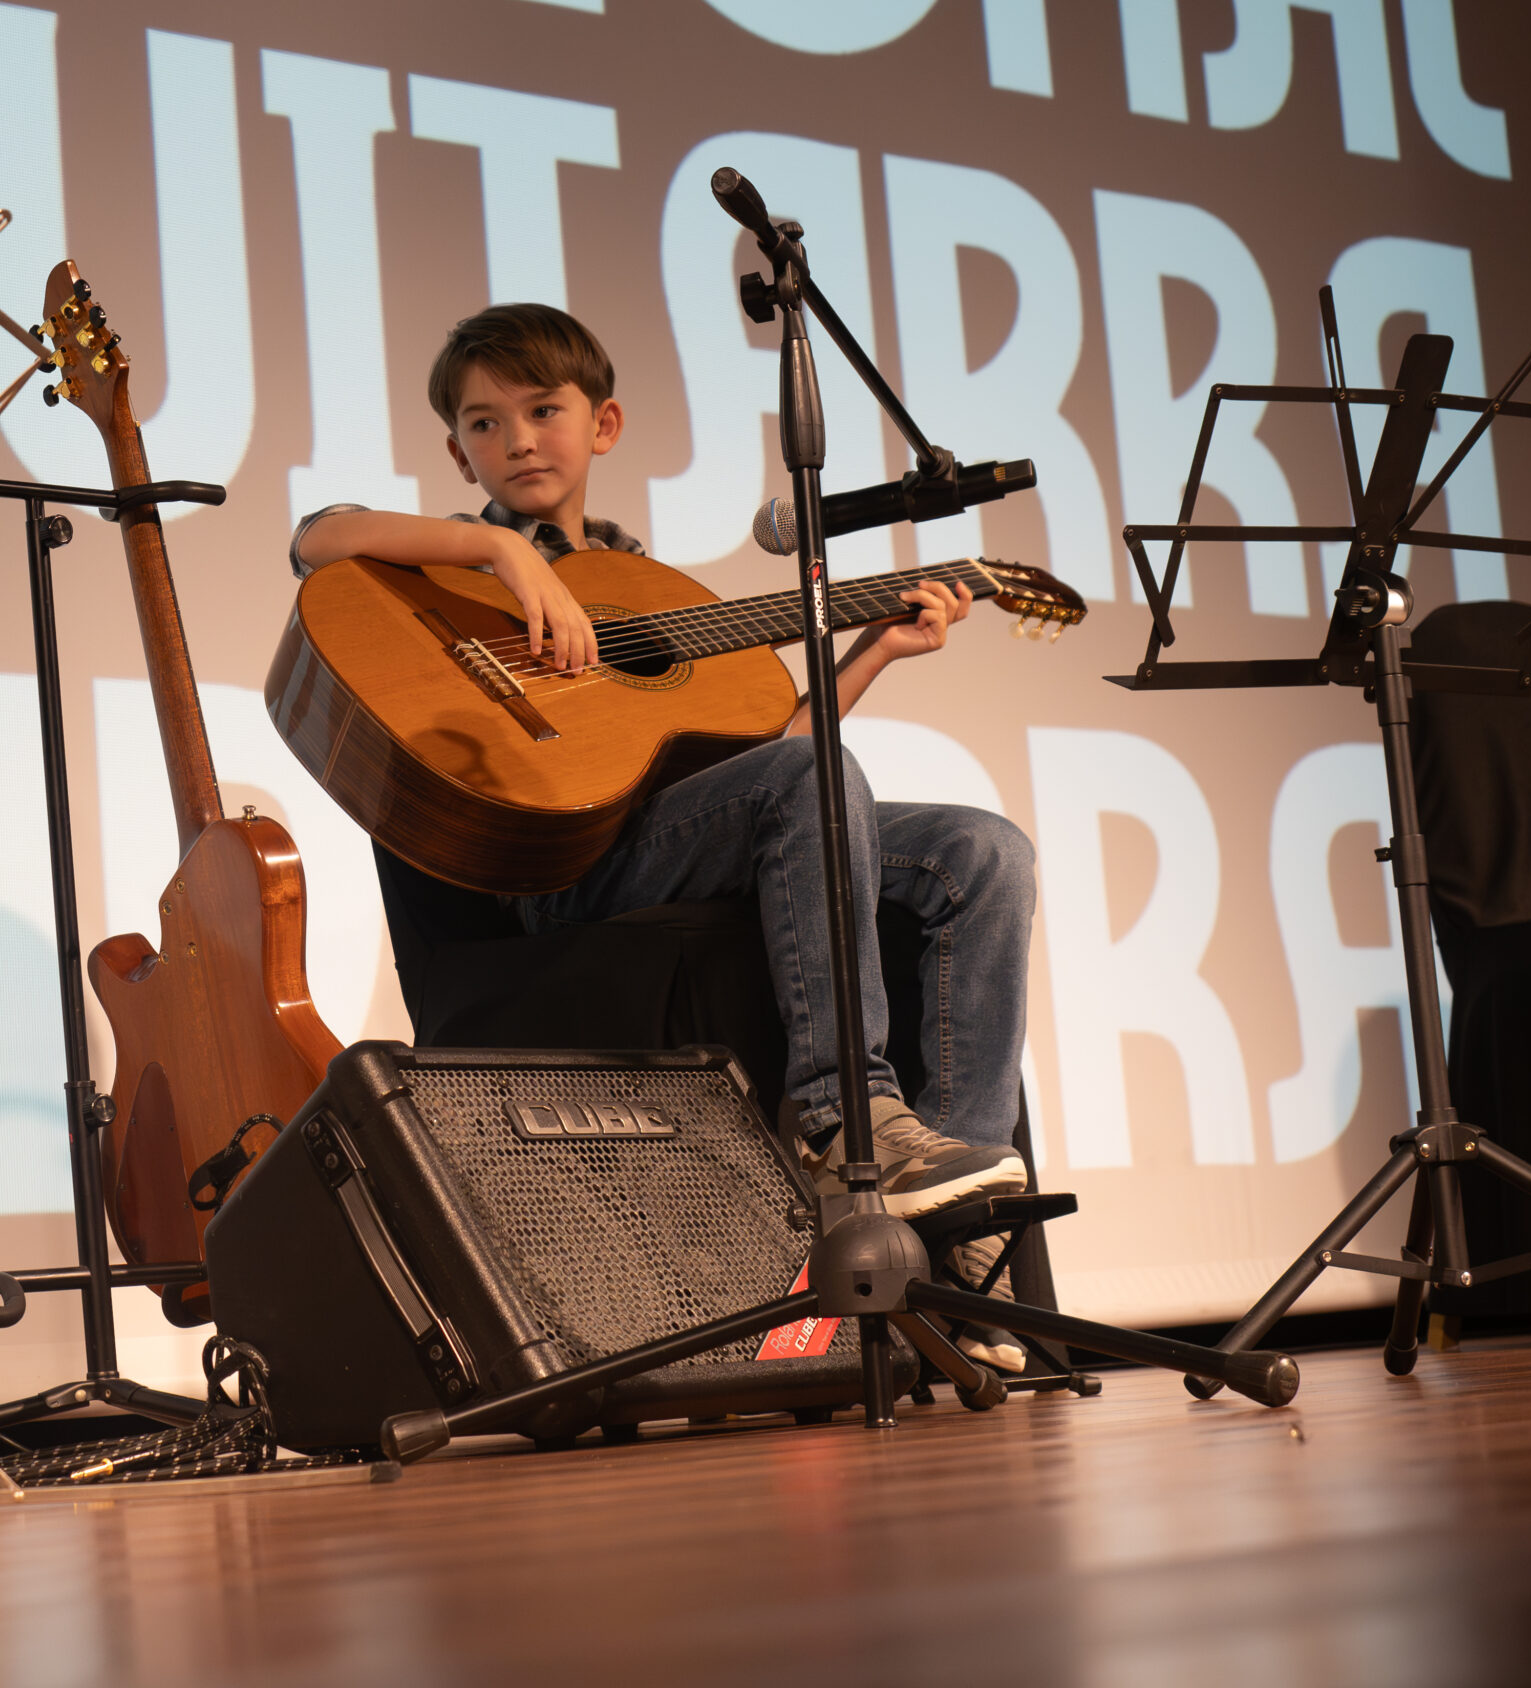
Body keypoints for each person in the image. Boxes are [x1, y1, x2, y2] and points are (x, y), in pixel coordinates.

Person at [295, 303, 1039, 1370]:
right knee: (811, 784)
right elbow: (315, 536)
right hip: (559, 868)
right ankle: (843, 1116)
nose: (517, 440)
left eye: (543, 411)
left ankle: (966, 1212)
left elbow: (776, 766)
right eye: (484, 423)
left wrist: (870, 651)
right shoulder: (443, 568)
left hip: (666, 842)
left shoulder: (636, 584)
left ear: (603, 425)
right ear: (456, 451)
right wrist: (502, 553)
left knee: (982, 849)